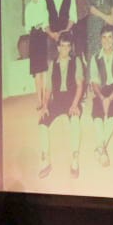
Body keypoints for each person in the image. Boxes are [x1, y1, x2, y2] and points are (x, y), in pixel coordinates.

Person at [39, 35, 84, 179]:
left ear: (70, 48)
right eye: (62, 46)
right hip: (57, 100)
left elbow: (80, 85)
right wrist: (45, 105)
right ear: (58, 47)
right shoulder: (52, 63)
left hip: (72, 99)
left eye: (68, 46)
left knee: (75, 120)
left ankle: (74, 160)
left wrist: (75, 104)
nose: (65, 49)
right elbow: (48, 89)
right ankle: (46, 160)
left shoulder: (76, 61)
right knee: (42, 122)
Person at [86, 24, 113, 168]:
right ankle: (102, 149)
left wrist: (110, 98)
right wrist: (102, 97)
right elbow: (94, 81)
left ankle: (100, 147)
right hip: (102, 90)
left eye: (110, 37)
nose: (107, 41)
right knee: (97, 112)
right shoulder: (95, 57)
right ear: (100, 39)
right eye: (104, 38)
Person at [22, 0, 51, 109]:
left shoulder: (44, 1)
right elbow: (27, 25)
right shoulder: (28, 6)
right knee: (36, 71)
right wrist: (33, 29)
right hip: (34, 37)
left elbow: (45, 18)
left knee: (44, 70)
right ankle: (39, 100)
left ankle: (46, 98)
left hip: (43, 35)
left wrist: (41, 26)